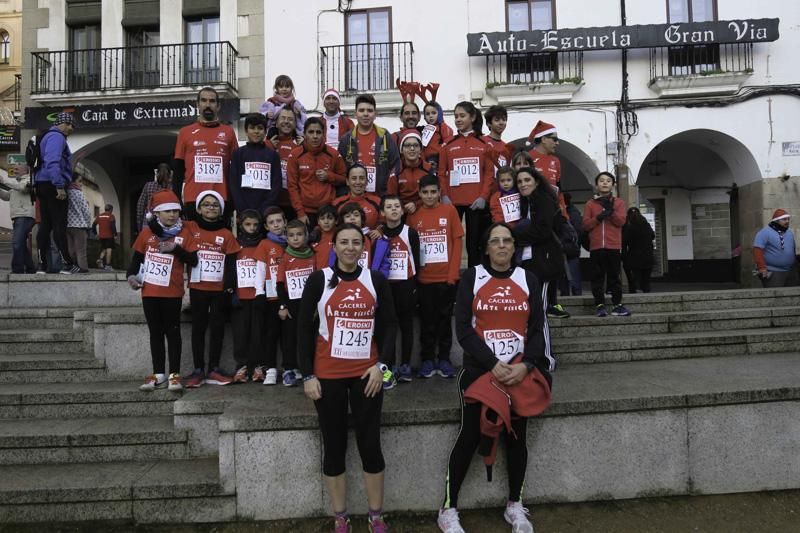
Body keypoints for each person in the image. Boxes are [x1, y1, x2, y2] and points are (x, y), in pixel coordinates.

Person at [437, 222, 552, 533]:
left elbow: (538, 330)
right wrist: (491, 362)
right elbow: (463, 328)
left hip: (518, 372)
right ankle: (448, 508)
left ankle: (515, 504)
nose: (502, 246)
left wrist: (527, 364)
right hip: (480, 371)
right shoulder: (472, 277)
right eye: (495, 241)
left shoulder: (528, 278)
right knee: (470, 435)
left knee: (517, 438)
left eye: (507, 241)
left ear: (514, 247)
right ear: (486, 247)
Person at [297, 222, 397, 533]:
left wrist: (382, 367)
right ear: (334, 246)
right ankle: (340, 517)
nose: (350, 247)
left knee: (370, 444)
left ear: (363, 248)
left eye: (356, 242)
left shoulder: (375, 280)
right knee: (335, 444)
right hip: (327, 376)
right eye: (344, 242)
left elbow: (391, 326)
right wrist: (307, 375)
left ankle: (376, 515)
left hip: (366, 374)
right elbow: (302, 329)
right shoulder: (319, 280)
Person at [127, 189, 199, 392]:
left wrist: (175, 249)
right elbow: (135, 262)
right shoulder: (146, 233)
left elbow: (194, 260)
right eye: (167, 211)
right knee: (155, 333)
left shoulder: (185, 233)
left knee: (173, 332)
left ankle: (175, 374)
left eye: (176, 211)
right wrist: (131, 278)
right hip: (149, 292)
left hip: (172, 292)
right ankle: (159, 374)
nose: (172, 215)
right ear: (156, 214)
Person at [183, 190, 242, 388]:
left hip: (219, 291)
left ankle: (214, 369)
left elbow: (233, 263)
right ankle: (198, 369)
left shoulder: (226, 234)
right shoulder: (190, 228)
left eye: (215, 205)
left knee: (217, 328)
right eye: (206, 204)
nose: (211, 208)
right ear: (199, 209)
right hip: (198, 288)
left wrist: (230, 287)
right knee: (198, 328)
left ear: (221, 210)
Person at [407, 174, 464, 379]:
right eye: (425, 192)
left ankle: (445, 359)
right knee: (427, 321)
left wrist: (453, 273)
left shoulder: (449, 211)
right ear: (419, 193)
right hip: (424, 280)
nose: (429, 196)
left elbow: (457, 242)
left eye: (433, 192)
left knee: (444, 320)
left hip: (446, 279)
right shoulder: (414, 215)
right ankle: (428, 359)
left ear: (439, 192)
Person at [512, 167, 564, 372]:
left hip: (543, 264)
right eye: (520, 181)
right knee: (532, 311)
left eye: (527, 180)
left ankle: (547, 357)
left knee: (539, 311)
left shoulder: (542, 200)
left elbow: (543, 231)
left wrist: (515, 237)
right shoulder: (527, 203)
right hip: (529, 263)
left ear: (536, 181)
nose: (523, 184)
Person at [439, 101, 495, 267]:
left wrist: (483, 197)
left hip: (476, 202)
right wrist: (444, 196)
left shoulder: (484, 145)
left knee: (474, 243)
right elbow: (441, 173)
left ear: (472, 117)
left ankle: (474, 276)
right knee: (452, 240)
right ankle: (451, 276)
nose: (458, 119)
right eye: (456, 116)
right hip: (453, 202)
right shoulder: (447, 145)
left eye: (462, 116)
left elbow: (489, 173)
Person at [172, 87, 238, 221]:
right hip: (193, 199)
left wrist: (234, 200)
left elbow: (235, 170)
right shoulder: (185, 132)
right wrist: (177, 200)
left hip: (221, 199)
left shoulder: (229, 132)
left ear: (218, 106)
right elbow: (178, 170)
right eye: (204, 101)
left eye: (212, 101)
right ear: (197, 104)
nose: (208, 105)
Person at [380, 194, 420, 385]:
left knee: (406, 326)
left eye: (397, 206)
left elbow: (418, 261)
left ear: (402, 210)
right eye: (389, 206)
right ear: (382, 212)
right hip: (386, 287)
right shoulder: (378, 234)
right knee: (388, 326)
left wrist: (415, 286)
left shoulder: (410, 232)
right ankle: (387, 368)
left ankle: (404, 365)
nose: (394, 209)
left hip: (406, 285)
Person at [582, 172, 631, 317]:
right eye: (601, 181)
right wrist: (599, 217)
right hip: (596, 247)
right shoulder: (590, 204)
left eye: (608, 181)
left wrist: (610, 212)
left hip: (613, 246)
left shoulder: (619, 203)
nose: (605, 183)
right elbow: (585, 225)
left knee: (614, 277)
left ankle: (617, 305)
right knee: (597, 277)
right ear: (597, 185)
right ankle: (600, 305)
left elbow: (621, 222)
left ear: (613, 185)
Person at [34, 111, 77, 274]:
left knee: (45, 225)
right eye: (68, 124)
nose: (71, 128)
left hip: (42, 183)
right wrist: (59, 186)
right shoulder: (56, 137)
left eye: (72, 125)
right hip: (53, 184)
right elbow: (53, 161)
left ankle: (42, 265)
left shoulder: (47, 137)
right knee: (59, 224)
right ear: (60, 123)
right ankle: (67, 264)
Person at [276, 219, 316, 387]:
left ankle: (307, 368)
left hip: (308, 306)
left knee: (308, 338)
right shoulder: (285, 258)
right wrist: (283, 306)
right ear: (286, 238)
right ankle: (288, 369)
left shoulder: (312, 256)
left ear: (306, 236)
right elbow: (279, 284)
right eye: (291, 235)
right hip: (291, 306)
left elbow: (317, 283)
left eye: (299, 235)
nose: (296, 238)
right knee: (290, 338)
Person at [287, 117, 347, 229]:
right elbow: (292, 186)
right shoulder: (295, 155)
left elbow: (345, 179)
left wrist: (329, 176)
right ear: (304, 134)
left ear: (323, 134)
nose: (315, 136)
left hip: (328, 212)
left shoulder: (333, 154)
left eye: (318, 132)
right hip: (305, 212)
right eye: (311, 132)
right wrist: (300, 213)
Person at [338, 93, 400, 198]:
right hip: (354, 199)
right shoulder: (346, 140)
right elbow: (340, 171)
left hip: (380, 198)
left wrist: (388, 192)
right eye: (361, 110)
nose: (365, 114)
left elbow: (396, 165)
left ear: (375, 114)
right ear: (355, 114)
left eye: (370, 110)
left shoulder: (385, 136)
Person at [231, 209, 268, 383]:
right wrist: (231, 292)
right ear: (240, 224)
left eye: (255, 224)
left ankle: (259, 366)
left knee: (259, 332)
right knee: (240, 333)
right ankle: (241, 366)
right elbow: (229, 270)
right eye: (248, 224)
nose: (252, 228)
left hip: (259, 296)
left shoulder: (264, 244)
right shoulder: (235, 244)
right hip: (241, 295)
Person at [258, 206, 289, 385]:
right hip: (271, 296)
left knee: (288, 334)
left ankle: (288, 368)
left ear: (285, 222)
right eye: (271, 222)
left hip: (289, 295)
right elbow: (260, 270)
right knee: (271, 333)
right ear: (266, 226)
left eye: (279, 221)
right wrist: (259, 293)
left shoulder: (293, 240)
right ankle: (270, 368)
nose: (276, 225)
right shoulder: (264, 244)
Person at [229, 113, 283, 216]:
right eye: (252, 128)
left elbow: (276, 185)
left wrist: (266, 209)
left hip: (266, 212)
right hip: (244, 211)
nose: (256, 131)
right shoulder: (238, 154)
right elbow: (234, 184)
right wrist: (243, 209)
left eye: (260, 128)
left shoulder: (273, 155)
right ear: (246, 131)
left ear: (265, 131)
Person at [526, 120, 567, 218]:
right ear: (543, 139)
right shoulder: (527, 157)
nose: (557, 143)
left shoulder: (555, 160)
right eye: (554, 139)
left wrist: (564, 214)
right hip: (533, 211)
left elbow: (558, 189)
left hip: (553, 210)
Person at [386, 130, 433, 215]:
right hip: (401, 213)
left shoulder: (428, 169)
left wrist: (416, 204)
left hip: (425, 209)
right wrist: (403, 209)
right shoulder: (396, 171)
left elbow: (433, 195)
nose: (412, 149)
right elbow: (391, 198)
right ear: (401, 150)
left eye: (415, 145)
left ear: (420, 149)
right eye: (407, 146)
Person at [0, 166, 36, 273]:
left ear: (25, 170)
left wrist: (3, 180)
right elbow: (6, 196)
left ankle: (17, 270)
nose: (14, 171)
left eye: (17, 170)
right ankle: (30, 269)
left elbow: (22, 188)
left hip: (25, 215)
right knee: (21, 245)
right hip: (18, 216)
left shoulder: (30, 179)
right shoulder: (17, 183)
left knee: (16, 243)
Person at [752, 209, 799, 287]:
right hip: (773, 272)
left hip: (790, 271)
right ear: (776, 221)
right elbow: (757, 250)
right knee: (775, 297)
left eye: (788, 219)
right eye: (784, 219)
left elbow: (792, 250)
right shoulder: (764, 232)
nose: (787, 221)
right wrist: (762, 268)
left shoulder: (789, 233)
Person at [331, 164, 382, 233]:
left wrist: (380, 231)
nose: (358, 182)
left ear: (367, 181)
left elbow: (385, 224)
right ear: (347, 181)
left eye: (361, 178)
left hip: (371, 243)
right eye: (354, 178)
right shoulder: (337, 203)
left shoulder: (377, 202)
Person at [622, 207, 656, 293]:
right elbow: (653, 235)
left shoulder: (628, 227)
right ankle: (646, 292)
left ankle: (636, 292)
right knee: (646, 280)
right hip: (648, 256)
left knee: (636, 279)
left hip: (634, 257)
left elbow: (624, 242)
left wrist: (624, 256)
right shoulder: (646, 224)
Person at [65, 174, 92, 273]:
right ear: (74, 181)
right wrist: (88, 225)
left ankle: (73, 267)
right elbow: (86, 211)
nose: (81, 184)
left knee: (70, 248)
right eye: (79, 181)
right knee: (81, 249)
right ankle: (83, 268)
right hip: (79, 225)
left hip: (67, 225)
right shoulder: (78, 193)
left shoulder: (64, 192)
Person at [559, 192, 583, 296]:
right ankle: (575, 291)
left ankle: (570, 292)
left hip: (568, 247)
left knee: (570, 272)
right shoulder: (575, 212)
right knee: (572, 272)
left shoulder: (568, 213)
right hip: (573, 247)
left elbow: (578, 230)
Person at [136, 163, 172, 231]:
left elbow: (140, 206)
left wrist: (139, 224)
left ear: (156, 173)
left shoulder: (148, 185)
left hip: (148, 221)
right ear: (170, 174)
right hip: (167, 222)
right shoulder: (172, 187)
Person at [421, 101, 453, 170]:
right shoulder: (425, 129)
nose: (431, 116)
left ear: (440, 113)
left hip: (438, 157)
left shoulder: (443, 126)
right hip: (426, 159)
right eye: (427, 114)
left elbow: (448, 141)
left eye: (434, 113)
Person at [311, 204, 337, 270]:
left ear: (336, 221)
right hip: (319, 276)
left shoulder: (340, 236)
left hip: (337, 275)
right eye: (322, 218)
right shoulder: (313, 238)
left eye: (330, 218)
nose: (326, 222)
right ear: (318, 221)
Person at [93, 204, 117, 271]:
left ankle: (100, 259)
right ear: (111, 210)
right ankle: (108, 266)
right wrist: (115, 234)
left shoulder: (99, 216)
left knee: (104, 249)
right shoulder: (111, 216)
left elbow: (93, 225)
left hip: (101, 236)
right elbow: (113, 226)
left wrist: (95, 233)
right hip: (109, 236)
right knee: (109, 250)